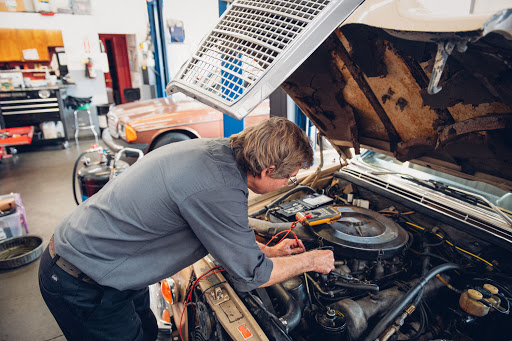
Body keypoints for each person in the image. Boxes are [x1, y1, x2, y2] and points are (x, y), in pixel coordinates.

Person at [38, 117, 335, 340]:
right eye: (290, 179)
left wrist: (269, 251)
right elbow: (254, 276)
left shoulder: (219, 153)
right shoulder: (218, 186)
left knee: (147, 331)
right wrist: (311, 261)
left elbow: (223, 233)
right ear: (268, 170)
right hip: (81, 282)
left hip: (112, 267)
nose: (289, 185)